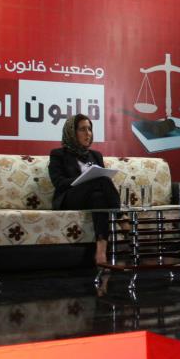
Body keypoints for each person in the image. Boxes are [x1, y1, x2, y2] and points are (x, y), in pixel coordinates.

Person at [48, 114, 123, 267]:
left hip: (91, 198)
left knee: (98, 198)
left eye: (89, 129)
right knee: (101, 179)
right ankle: (122, 217)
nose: (88, 133)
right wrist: (83, 180)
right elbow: (59, 183)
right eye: (82, 129)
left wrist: (90, 181)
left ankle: (101, 250)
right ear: (71, 132)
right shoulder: (58, 155)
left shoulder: (96, 155)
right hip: (70, 198)